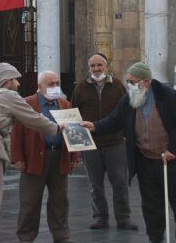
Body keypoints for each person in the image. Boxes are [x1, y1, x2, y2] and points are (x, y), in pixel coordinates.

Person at [81, 62, 176, 243]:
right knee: (152, 208)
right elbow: (115, 120)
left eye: (133, 81)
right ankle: (155, 239)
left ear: (146, 82)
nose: (129, 85)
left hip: (173, 161)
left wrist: (173, 150)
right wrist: (95, 126)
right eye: (128, 81)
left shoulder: (168, 96)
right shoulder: (130, 98)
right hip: (146, 161)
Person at [0, 63, 63, 243]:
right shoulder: (8, 96)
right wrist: (56, 128)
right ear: (7, 81)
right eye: (15, 79)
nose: (18, 83)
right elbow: (32, 118)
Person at [70, 53, 138, 230]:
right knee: (95, 185)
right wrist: (76, 145)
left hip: (115, 143)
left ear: (107, 66)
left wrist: (126, 135)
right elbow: (73, 114)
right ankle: (100, 217)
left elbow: (128, 112)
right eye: (93, 66)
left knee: (120, 183)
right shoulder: (80, 88)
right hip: (90, 144)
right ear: (89, 67)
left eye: (99, 65)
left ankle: (124, 218)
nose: (96, 69)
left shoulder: (118, 86)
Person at [10, 71, 79, 243]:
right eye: (50, 84)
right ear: (40, 87)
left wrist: (75, 157)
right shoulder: (27, 103)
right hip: (33, 158)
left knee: (60, 201)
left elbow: (75, 133)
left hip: (59, 157)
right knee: (29, 201)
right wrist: (17, 157)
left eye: (57, 83)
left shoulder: (65, 104)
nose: (55, 87)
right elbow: (16, 133)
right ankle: (26, 237)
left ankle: (61, 236)